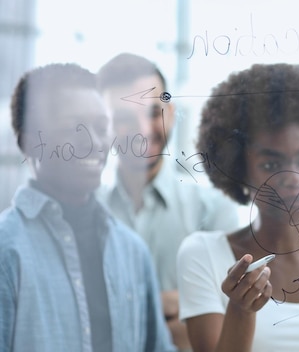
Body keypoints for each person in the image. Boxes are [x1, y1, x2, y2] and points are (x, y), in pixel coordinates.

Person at [176, 63, 299, 352]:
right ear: (240, 172)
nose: (294, 179)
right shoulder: (203, 255)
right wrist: (241, 310)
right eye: (271, 165)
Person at [0, 63, 174, 351]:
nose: (93, 143)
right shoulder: (7, 250)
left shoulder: (132, 251)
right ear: (30, 144)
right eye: (73, 128)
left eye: (102, 127)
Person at [96, 53, 240, 351]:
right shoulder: (85, 214)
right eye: (123, 119)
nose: (143, 130)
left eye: (152, 113)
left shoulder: (214, 210)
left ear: (171, 113)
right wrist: (175, 305)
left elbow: (232, 319)